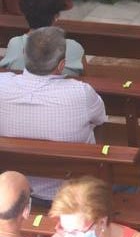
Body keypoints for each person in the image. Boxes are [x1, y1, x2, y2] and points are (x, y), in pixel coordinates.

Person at [0, 26, 106, 203]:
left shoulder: (2, 85)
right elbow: (100, 119)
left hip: (13, 188)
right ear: (62, 65)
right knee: (128, 180)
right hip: (69, 193)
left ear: (24, 54)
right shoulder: (80, 92)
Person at [0, 0, 86, 75]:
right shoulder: (73, 47)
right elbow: (87, 80)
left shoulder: (15, 44)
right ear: (56, 16)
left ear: (25, 13)